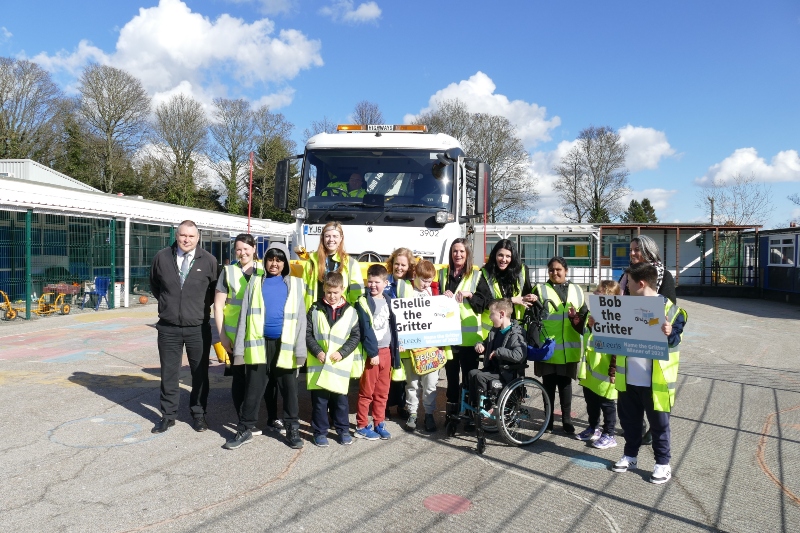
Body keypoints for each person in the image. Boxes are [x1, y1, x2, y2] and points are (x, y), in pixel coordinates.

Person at [223, 242, 308, 450]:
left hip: (285, 346)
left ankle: (292, 428)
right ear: (265, 260)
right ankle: (244, 429)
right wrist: (240, 351)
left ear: (285, 263)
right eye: (271, 258)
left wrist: (300, 350)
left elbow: (301, 319)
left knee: (289, 390)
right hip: (259, 345)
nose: (274, 263)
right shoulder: (254, 282)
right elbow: (244, 316)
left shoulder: (296, 284)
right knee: (253, 389)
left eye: (279, 260)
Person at [612, 262, 687, 484]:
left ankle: (663, 464)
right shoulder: (625, 306)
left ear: (641, 283)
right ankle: (630, 455)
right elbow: (612, 335)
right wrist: (597, 325)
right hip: (629, 378)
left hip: (657, 383)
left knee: (659, 426)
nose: (624, 286)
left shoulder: (671, 310)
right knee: (630, 422)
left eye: (628, 282)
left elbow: (676, 339)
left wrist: (669, 332)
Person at [149, 220, 218, 434]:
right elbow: (155, 286)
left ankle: (198, 415)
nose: (186, 240)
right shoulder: (161, 257)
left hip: (198, 327)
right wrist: (170, 305)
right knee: (169, 373)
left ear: (198, 238)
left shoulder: (209, 261)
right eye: (182, 235)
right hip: (168, 327)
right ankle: (168, 416)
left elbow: (214, 291)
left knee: (199, 374)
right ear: (176, 236)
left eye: (191, 236)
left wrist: (196, 309)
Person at [617, 234, 676, 445]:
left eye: (636, 250)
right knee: (632, 387)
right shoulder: (626, 277)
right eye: (631, 250)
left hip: (652, 342)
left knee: (653, 392)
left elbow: (669, 307)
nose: (632, 254)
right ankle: (636, 428)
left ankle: (655, 427)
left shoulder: (663, 276)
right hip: (629, 341)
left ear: (648, 251)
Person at [213, 234, 265, 439]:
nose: (242, 253)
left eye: (246, 248)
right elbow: (218, 306)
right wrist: (222, 336)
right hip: (235, 337)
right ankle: (243, 422)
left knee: (257, 380)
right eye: (238, 249)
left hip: (257, 335)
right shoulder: (228, 272)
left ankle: (249, 421)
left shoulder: (263, 271)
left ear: (254, 248)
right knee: (240, 380)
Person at [531, 256, 587, 434]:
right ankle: (548, 421)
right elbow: (532, 318)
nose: (555, 273)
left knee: (565, 385)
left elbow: (584, 316)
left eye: (558, 270)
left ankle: (566, 420)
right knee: (548, 384)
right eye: (551, 270)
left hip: (568, 349)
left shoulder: (577, 290)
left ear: (566, 271)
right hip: (548, 347)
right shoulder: (540, 290)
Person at [305, 272, 361, 447]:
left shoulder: (351, 312)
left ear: (342, 290)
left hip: (338, 365)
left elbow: (355, 336)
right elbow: (307, 334)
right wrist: (317, 351)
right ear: (324, 289)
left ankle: (343, 430)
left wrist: (343, 352)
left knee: (341, 402)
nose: (332, 296)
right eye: (329, 292)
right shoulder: (314, 309)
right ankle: (320, 432)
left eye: (335, 292)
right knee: (320, 402)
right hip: (319, 364)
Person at [440, 238, 483, 430]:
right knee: (451, 378)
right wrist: (443, 297)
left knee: (468, 378)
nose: (458, 255)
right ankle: (451, 415)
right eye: (455, 251)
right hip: (448, 337)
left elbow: (483, 303)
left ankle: (469, 415)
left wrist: (470, 295)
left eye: (462, 252)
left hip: (469, 338)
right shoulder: (442, 274)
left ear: (467, 254)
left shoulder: (476, 276)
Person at [572, 280, 620, 450]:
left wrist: (613, 370)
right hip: (591, 371)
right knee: (591, 402)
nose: (595, 296)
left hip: (605, 372)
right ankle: (594, 428)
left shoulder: (614, 318)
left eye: (599, 294)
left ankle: (610, 434)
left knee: (607, 405)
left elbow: (616, 347)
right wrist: (575, 319)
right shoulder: (592, 315)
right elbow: (584, 331)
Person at [354, 264, 399, 441]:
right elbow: (365, 329)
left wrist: (397, 345)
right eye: (370, 281)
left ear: (385, 282)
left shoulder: (389, 300)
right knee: (367, 391)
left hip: (387, 352)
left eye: (377, 282)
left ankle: (379, 422)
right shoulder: (363, 301)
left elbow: (393, 327)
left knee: (382, 391)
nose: (372, 285)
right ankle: (361, 424)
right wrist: (372, 353)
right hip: (371, 354)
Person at [401, 260, 442, 432]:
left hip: (431, 347)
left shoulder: (434, 292)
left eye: (429, 280)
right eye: (423, 280)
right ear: (415, 276)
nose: (426, 284)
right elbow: (401, 317)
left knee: (431, 384)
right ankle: (412, 413)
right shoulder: (406, 291)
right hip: (411, 348)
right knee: (412, 383)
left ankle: (429, 414)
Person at [471, 239, 537, 339]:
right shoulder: (484, 273)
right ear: (494, 255)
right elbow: (483, 302)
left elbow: (527, 293)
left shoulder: (522, 271)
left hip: (517, 329)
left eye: (508, 256)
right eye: (500, 255)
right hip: (493, 332)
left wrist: (532, 296)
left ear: (513, 257)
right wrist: (511, 300)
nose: (504, 259)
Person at [467, 298, 526, 409]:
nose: (489, 317)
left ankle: (485, 407)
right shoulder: (494, 331)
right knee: (472, 373)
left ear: (501, 314)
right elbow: (485, 342)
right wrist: (480, 345)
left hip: (506, 372)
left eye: (491, 314)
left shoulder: (516, 334)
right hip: (494, 370)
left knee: (480, 377)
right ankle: (473, 407)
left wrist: (498, 352)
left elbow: (519, 355)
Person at [618, 235, 676, 304]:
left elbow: (669, 305)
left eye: (637, 249)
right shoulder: (626, 275)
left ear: (649, 252)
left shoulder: (664, 275)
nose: (632, 253)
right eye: (630, 250)